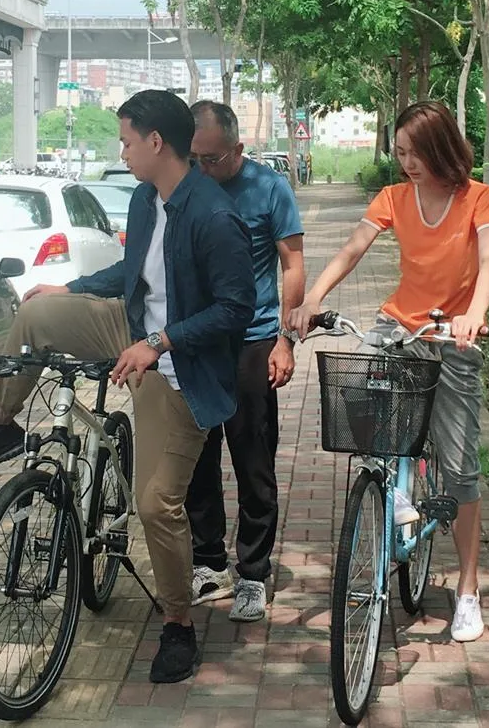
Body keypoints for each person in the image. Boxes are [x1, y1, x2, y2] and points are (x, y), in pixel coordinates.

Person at [0, 90, 256, 684]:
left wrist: (159, 343)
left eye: (127, 141)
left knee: (156, 504)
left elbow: (237, 309)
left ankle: (178, 625)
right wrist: (70, 287)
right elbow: (131, 274)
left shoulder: (214, 216)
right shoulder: (145, 198)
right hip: (129, 326)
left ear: (156, 142)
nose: (123, 152)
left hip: (181, 368)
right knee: (35, 314)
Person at [288, 101, 489, 644]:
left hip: (451, 335)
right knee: (362, 400)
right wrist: (313, 298)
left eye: (415, 153)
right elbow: (353, 249)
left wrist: (474, 314)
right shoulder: (393, 197)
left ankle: (468, 590)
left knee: (460, 470)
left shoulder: (479, 198)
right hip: (399, 325)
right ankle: (394, 492)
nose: (406, 163)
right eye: (400, 152)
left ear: (441, 149)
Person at [185, 101, 305, 622]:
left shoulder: (268, 188)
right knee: (197, 458)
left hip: (253, 339)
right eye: (195, 158)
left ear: (237, 148)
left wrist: (286, 340)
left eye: (212, 159)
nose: (203, 168)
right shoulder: (186, 185)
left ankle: (253, 572)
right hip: (196, 341)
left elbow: (293, 263)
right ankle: (209, 563)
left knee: (253, 458)